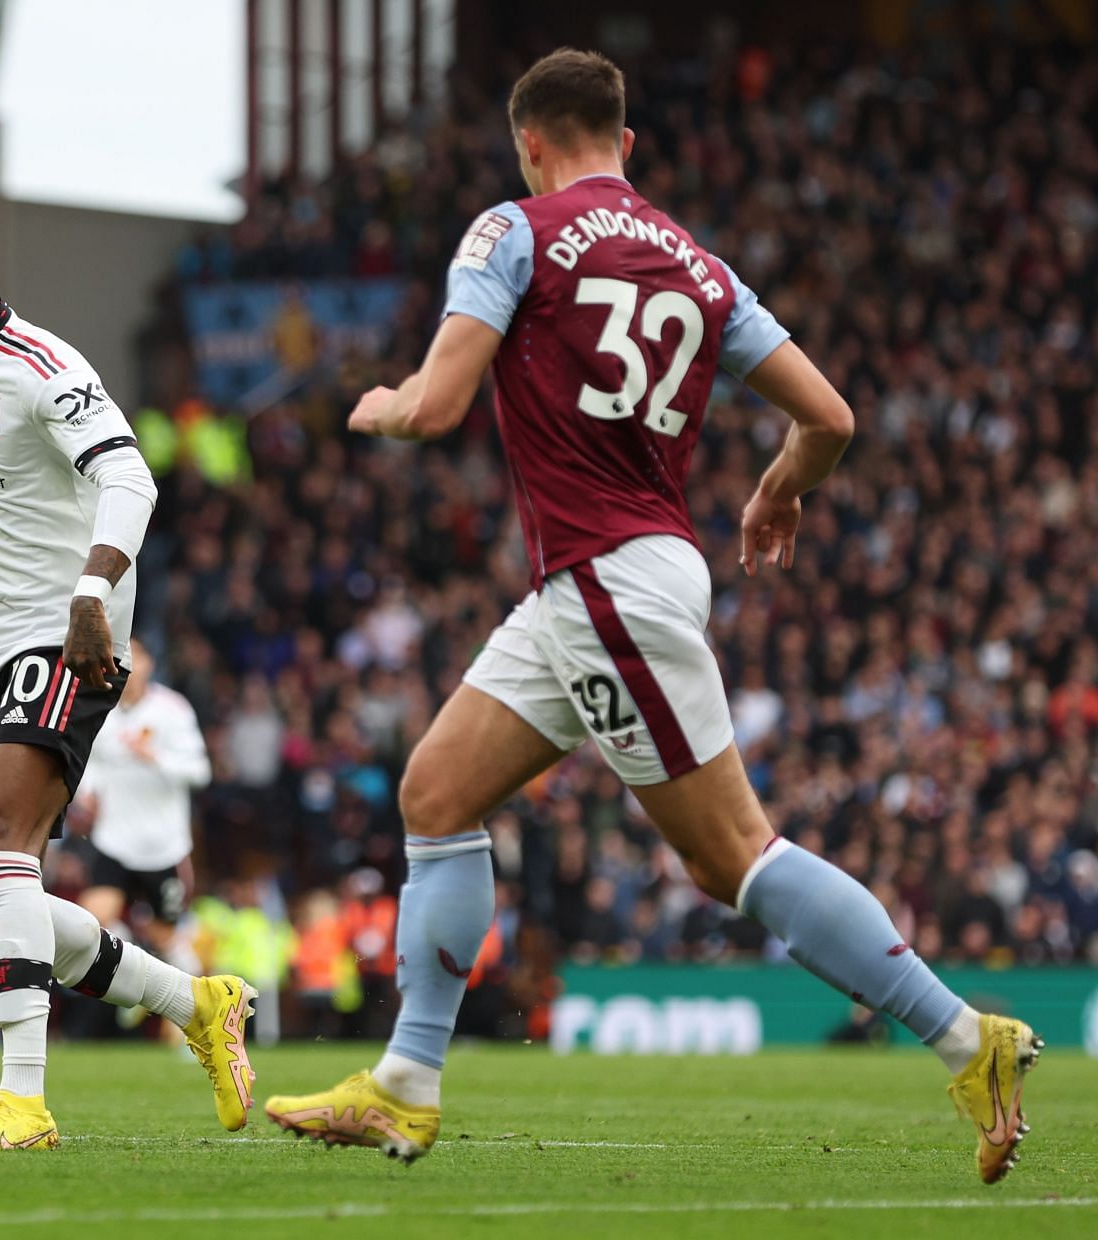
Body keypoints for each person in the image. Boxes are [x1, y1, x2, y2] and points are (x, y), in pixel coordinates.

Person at [264, 50, 1040, 1184]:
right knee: (434, 791)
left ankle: (968, 1038)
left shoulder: (514, 231)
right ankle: (405, 1082)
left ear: (528, 143)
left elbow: (435, 405)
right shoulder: (703, 267)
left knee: (734, 856)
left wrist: (382, 409)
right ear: (626, 145)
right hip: (605, 576)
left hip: (606, 580)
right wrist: (781, 485)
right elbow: (829, 415)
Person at [0, 207, 255, 1151]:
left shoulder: (46, 368)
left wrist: (92, 592)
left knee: (6, 847)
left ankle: (26, 1102)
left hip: (67, 638)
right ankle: (197, 1002)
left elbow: (132, 480)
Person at [76, 637, 211, 943]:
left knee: (167, 939)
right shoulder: (99, 708)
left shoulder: (173, 710)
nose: (128, 670)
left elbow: (200, 772)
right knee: (92, 924)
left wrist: (155, 759)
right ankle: (124, 945)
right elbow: (91, 760)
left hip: (163, 847)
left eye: (135, 661)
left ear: (149, 665)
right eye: (119, 662)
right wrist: (87, 791)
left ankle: (142, 949)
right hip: (113, 839)